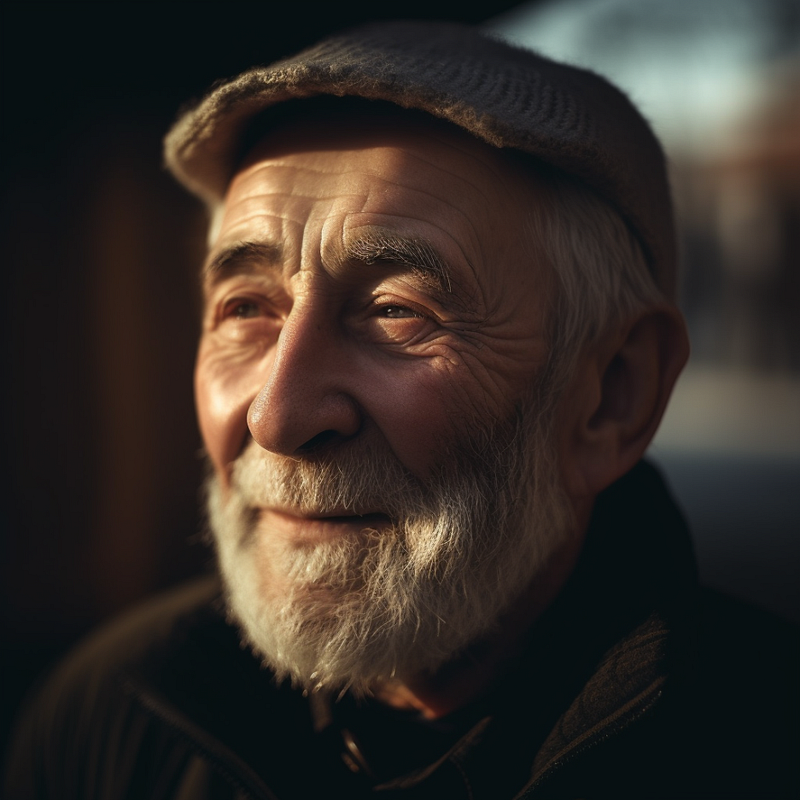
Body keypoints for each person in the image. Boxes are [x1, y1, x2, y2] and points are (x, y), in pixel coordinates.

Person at [5, 20, 798, 800]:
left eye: (396, 311)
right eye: (246, 307)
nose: (276, 418)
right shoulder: (105, 719)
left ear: (612, 397)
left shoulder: (758, 745)